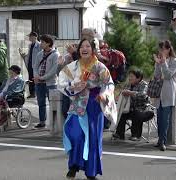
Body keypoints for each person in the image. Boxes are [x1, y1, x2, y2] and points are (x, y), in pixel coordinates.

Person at [58, 39, 117, 180]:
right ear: (78, 50)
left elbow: (109, 83)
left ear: (93, 49)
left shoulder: (99, 66)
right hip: (78, 102)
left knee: (92, 138)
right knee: (75, 133)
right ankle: (73, 165)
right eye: (82, 46)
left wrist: (104, 94)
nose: (84, 48)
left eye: (87, 46)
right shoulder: (73, 66)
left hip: (94, 103)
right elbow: (60, 82)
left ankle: (91, 172)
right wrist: (74, 85)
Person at [113, 68, 154, 141]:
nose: (130, 78)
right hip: (129, 109)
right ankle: (119, 134)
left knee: (136, 113)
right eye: (129, 76)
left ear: (138, 78)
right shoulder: (128, 85)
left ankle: (136, 135)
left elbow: (143, 95)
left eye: (132, 76)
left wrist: (130, 93)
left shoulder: (144, 85)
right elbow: (121, 95)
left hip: (143, 110)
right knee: (121, 113)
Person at [153, 40, 176, 151]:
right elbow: (157, 76)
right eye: (160, 49)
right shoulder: (160, 60)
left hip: (168, 92)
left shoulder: (175, 61)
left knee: (165, 119)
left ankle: (163, 141)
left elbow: (168, 75)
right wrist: (158, 64)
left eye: (163, 49)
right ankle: (159, 140)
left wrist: (163, 62)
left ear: (168, 49)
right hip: (159, 92)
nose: (161, 51)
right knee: (159, 118)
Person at [33, 34, 60, 128]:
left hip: (51, 83)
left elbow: (54, 70)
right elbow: (35, 66)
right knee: (41, 102)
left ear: (48, 43)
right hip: (39, 82)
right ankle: (42, 122)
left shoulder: (55, 54)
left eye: (43, 42)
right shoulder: (39, 53)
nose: (41, 43)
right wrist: (36, 76)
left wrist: (42, 77)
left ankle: (55, 123)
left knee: (53, 103)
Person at [0, 65, 25, 131]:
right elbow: (0, 88)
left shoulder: (20, 80)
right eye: (10, 72)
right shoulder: (6, 80)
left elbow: (16, 90)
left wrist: (4, 94)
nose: (10, 74)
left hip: (14, 98)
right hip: (2, 97)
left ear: (16, 72)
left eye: (11, 72)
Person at [19, 31, 41, 98]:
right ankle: (32, 93)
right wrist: (24, 56)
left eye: (30, 37)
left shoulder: (39, 45)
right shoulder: (30, 45)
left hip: (36, 65)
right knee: (31, 78)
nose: (29, 38)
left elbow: (41, 55)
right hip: (30, 64)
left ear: (34, 37)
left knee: (37, 79)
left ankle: (37, 93)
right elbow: (29, 55)